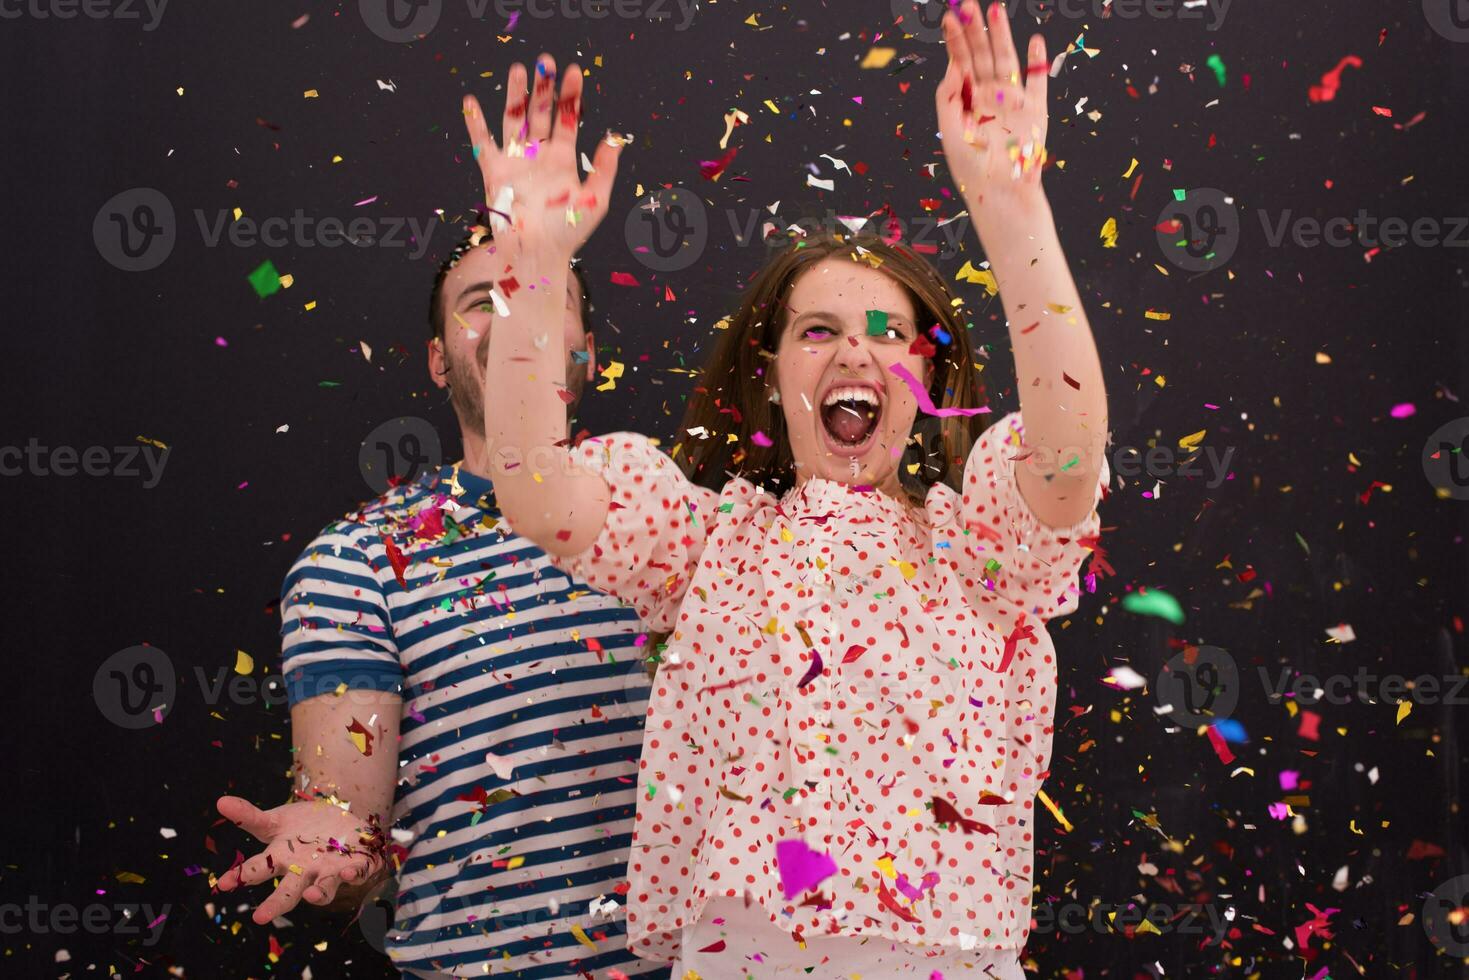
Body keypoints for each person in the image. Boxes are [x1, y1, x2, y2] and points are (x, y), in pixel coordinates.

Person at [467, 2, 1113, 974]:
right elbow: (532, 488)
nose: (853, 347)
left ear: (928, 380)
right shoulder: (706, 539)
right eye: (816, 329)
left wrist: (1011, 206)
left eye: (888, 332)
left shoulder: (980, 548)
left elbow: (1065, 461)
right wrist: (533, 269)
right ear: (769, 373)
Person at [212, 197, 670, 975]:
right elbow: (348, 827)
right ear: (436, 358)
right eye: (480, 302)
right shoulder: (355, 565)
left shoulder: (681, 525)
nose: (514, 318)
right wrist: (336, 851)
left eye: (540, 296)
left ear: (586, 350)